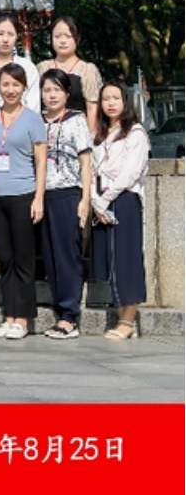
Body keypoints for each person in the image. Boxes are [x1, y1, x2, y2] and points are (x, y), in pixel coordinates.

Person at [0, 64, 49, 339]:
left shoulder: (33, 119)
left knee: (23, 259)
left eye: (16, 84)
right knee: (5, 258)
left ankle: (22, 319)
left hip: (23, 193)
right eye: (5, 84)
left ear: (24, 87)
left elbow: (41, 161)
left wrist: (39, 198)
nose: (10, 90)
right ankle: (8, 316)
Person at [37, 68, 94, 340]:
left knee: (66, 254)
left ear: (67, 93)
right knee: (49, 255)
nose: (51, 95)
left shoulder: (76, 121)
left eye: (57, 90)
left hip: (67, 192)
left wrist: (85, 199)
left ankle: (70, 316)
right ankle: (59, 310)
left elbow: (86, 162)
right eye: (47, 90)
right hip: (42, 194)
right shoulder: (37, 121)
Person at [89, 83, 149, 340]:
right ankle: (119, 314)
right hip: (101, 199)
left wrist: (105, 199)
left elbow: (130, 172)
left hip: (123, 198)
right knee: (110, 260)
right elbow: (90, 169)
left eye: (116, 98)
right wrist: (95, 200)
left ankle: (127, 320)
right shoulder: (98, 134)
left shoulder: (135, 133)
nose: (111, 103)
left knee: (127, 258)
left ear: (126, 101)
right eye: (106, 99)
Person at [38, 17, 103, 130]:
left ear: (77, 39)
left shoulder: (87, 70)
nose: (62, 41)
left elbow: (92, 108)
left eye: (68, 36)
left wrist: (90, 135)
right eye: (57, 36)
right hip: (47, 129)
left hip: (77, 130)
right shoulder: (42, 68)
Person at [0, 14, 39, 114]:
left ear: (17, 36)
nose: (5, 39)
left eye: (10, 34)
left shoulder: (27, 67)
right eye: (0, 34)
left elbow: (33, 103)